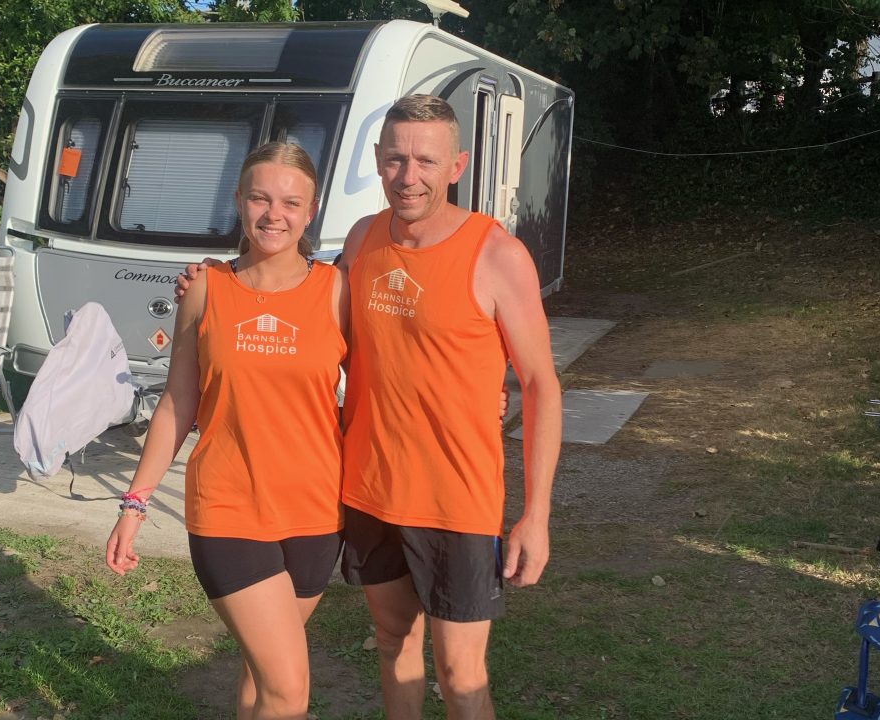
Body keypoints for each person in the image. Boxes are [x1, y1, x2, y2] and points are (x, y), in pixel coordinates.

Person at [335, 94, 562, 720]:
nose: (409, 177)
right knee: (393, 645)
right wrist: (220, 283)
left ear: (456, 165)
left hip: (456, 501)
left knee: (462, 675)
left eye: (426, 162)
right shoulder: (362, 240)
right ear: (378, 162)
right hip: (370, 489)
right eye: (395, 159)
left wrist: (535, 515)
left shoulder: (497, 256)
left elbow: (540, 384)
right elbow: (311, 320)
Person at [105, 142, 349, 720]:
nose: (274, 214)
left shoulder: (338, 292)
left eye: (290, 202)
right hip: (229, 509)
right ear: (238, 201)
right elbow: (175, 404)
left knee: (261, 672)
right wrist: (134, 503)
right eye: (260, 198)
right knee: (289, 689)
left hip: (317, 515)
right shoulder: (208, 290)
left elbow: (386, 381)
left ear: (310, 211)